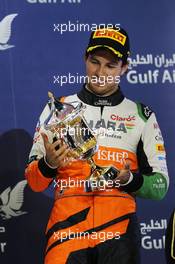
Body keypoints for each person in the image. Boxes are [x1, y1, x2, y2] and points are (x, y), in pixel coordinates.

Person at [25, 25, 169, 264]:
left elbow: (160, 185)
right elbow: (33, 182)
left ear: (124, 68)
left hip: (118, 236)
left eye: (111, 65)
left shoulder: (141, 115)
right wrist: (49, 164)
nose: (100, 72)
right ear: (85, 59)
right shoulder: (57, 109)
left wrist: (129, 179)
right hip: (66, 232)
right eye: (95, 62)